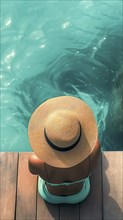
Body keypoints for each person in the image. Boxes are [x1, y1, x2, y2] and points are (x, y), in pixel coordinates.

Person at [28, 96, 100, 204]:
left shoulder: (34, 160)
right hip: (80, 195)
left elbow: (33, 172)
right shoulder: (95, 149)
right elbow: (95, 163)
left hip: (50, 196)